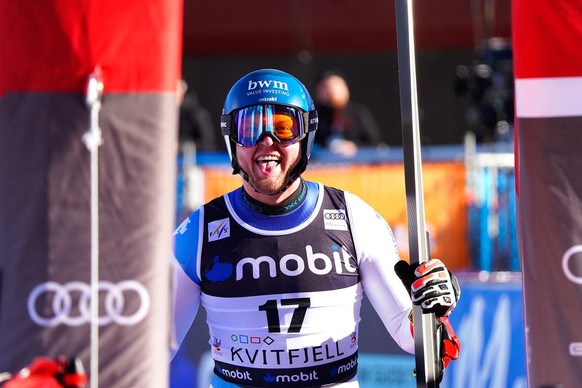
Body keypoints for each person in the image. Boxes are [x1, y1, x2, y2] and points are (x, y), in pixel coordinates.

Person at [171, 69, 460, 387]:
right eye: (250, 128)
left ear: (306, 135)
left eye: (284, 127)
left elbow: (412, 337)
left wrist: (433, 309)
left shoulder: (354, 218)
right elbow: (152, 348)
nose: (267, 142)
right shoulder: (199, 232)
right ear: (231, 139)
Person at [313, 70, 384, 157]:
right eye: (326, 87)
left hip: (357, 166)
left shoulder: (357, 112)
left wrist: (354, 147)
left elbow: (375, 143)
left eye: (336, 85)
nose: (331, 91)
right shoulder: (315, 114)